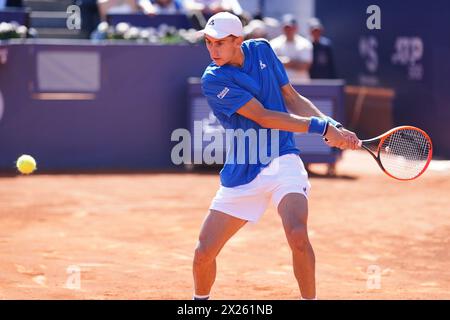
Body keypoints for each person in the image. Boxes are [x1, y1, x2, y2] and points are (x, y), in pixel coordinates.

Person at [193, 12, 359, 300]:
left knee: (297, 234)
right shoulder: (213, 78)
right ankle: (200, 303)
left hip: (283, 159)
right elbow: (263, 117)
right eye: (208, 43)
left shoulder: (262, 50)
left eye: (220, 43)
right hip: (243, 170)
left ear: (238, 41)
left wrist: (335, 126)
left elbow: (292, 97)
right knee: (203, 253)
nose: (213, 50)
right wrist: (321, 128)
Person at [270, 14, 313, 83]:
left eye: (291, 27)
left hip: (301, 84)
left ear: (296, 28)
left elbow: (305, 65)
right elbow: (271, 64)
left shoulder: (305, 43)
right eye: (286, 27)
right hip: (281, 86)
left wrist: (287, 62)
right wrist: (294, 63)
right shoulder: (274, 44)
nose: (288, 30)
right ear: (282, 28)